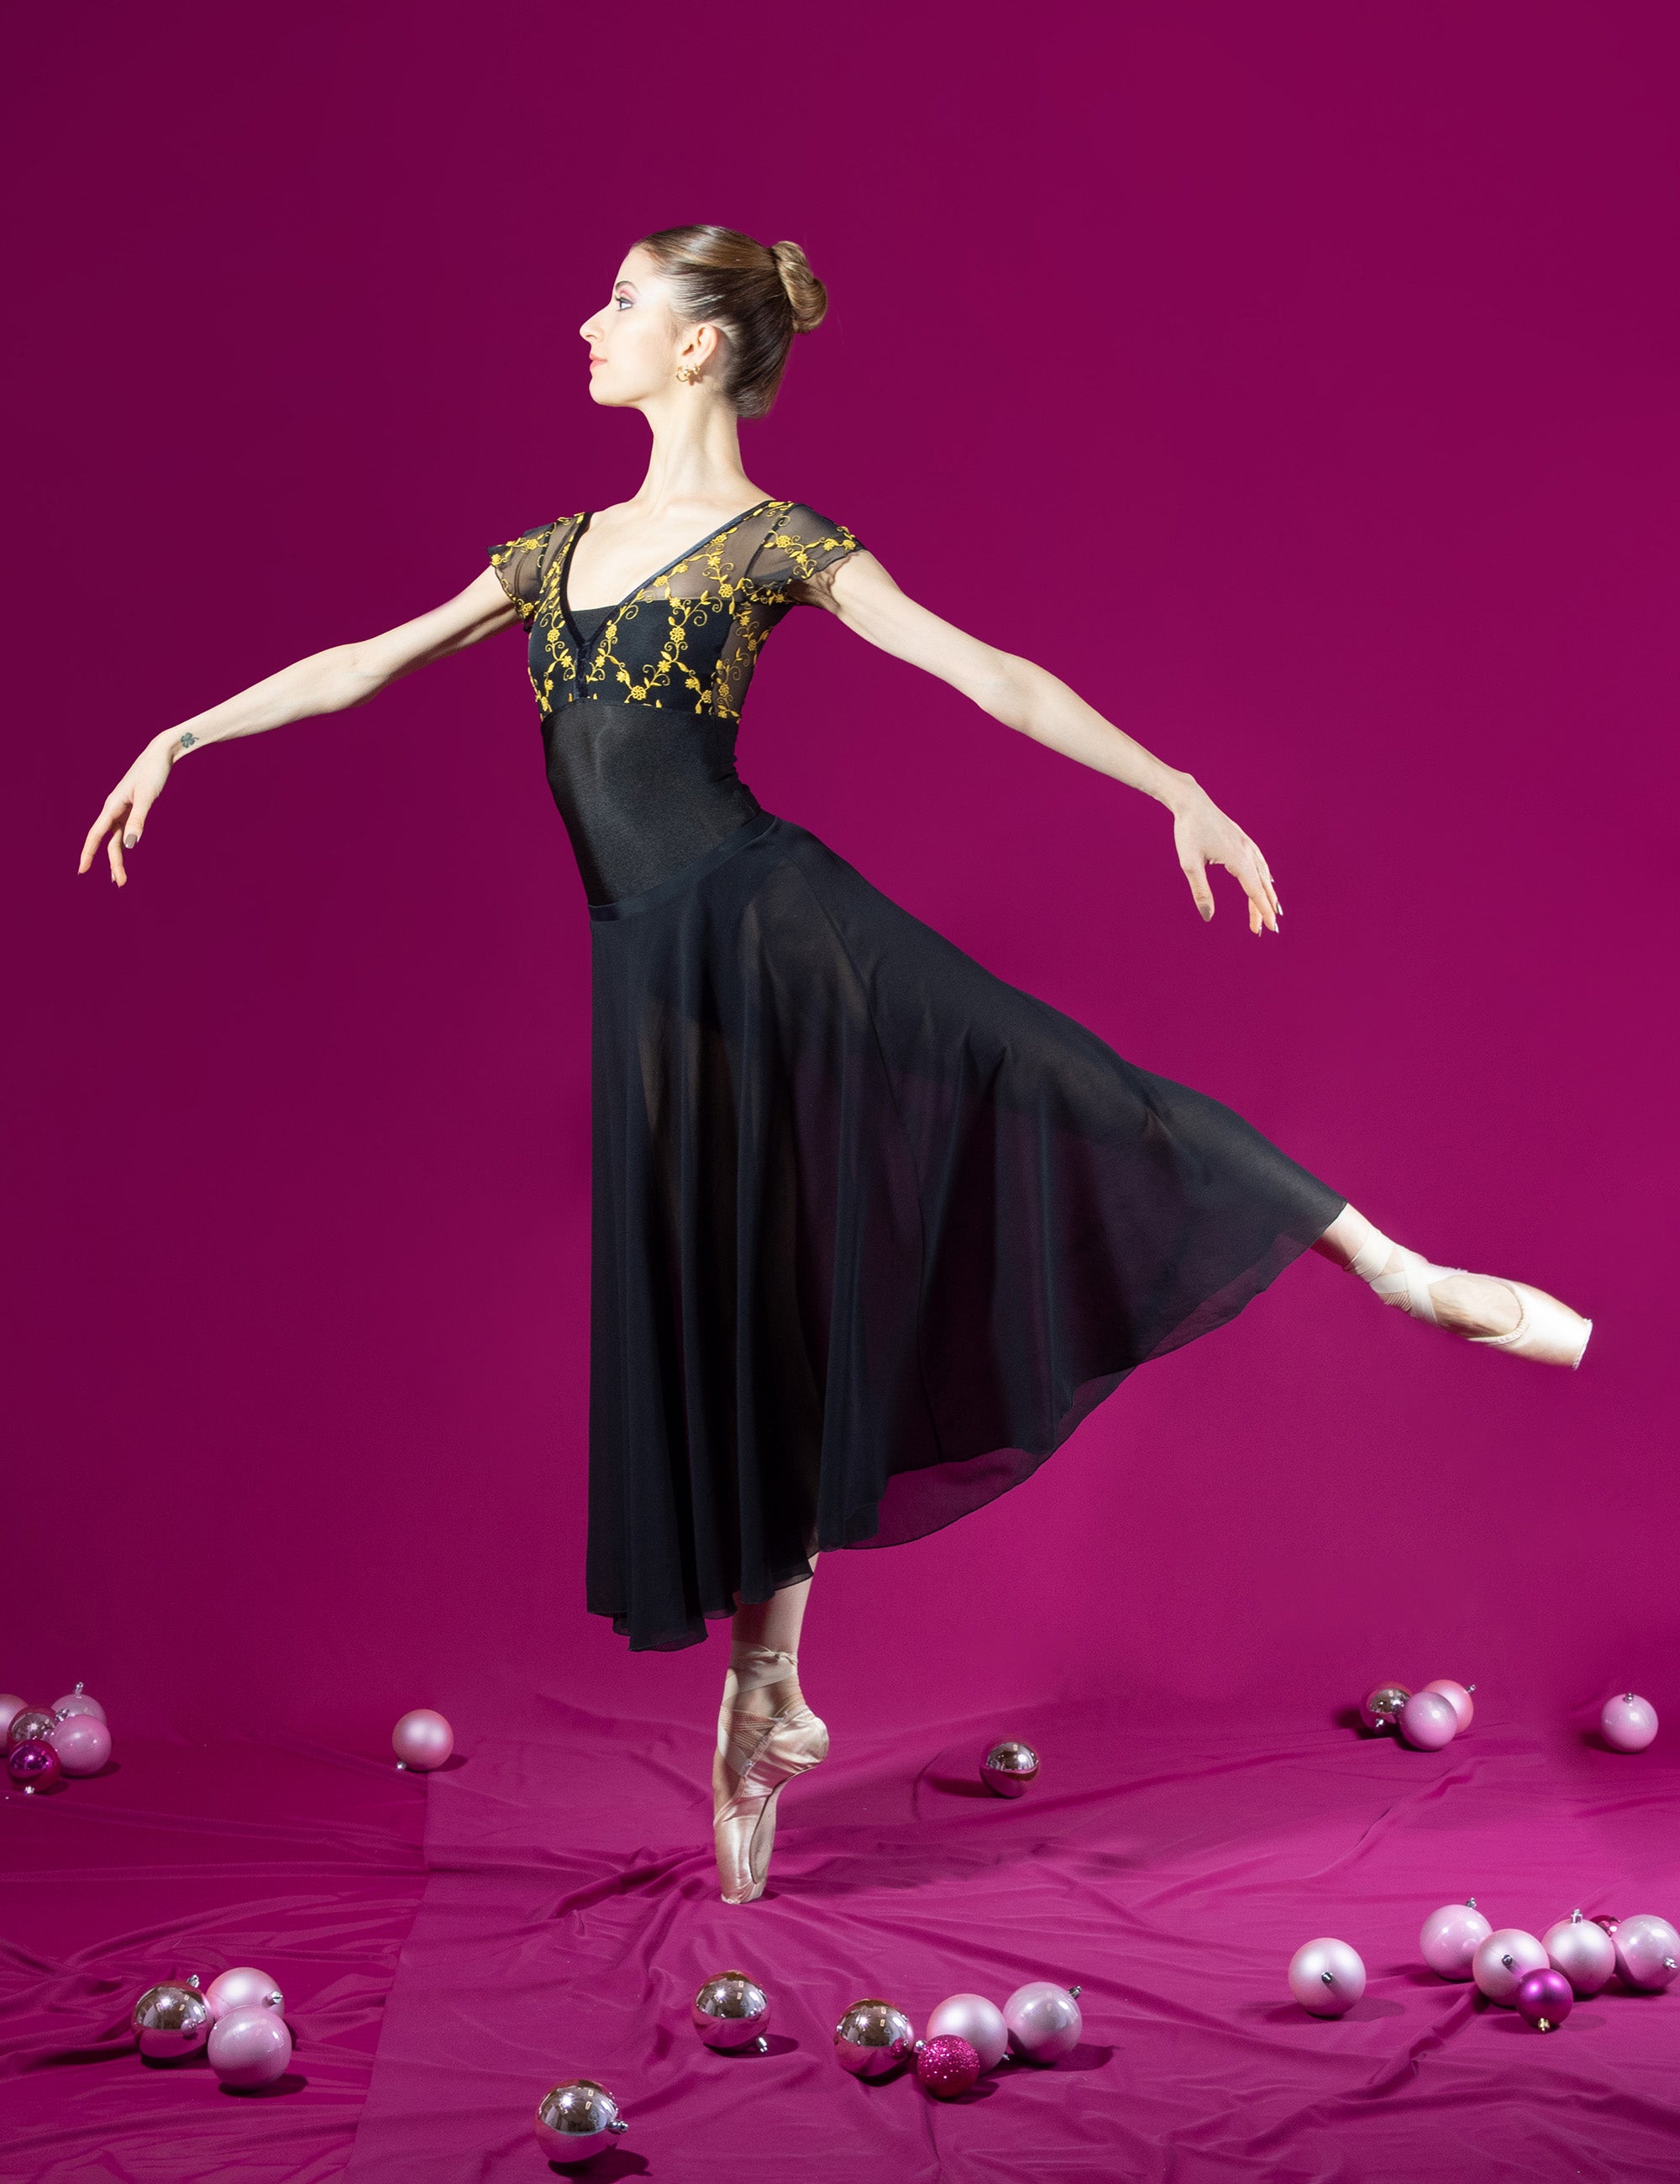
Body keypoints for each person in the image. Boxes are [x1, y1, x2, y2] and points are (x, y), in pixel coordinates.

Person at [78, 224, 1592, 1908]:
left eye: (622, 302)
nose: (587, 324)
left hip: (773, 920)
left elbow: (986, 673)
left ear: (700, 346)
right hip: (656, 980)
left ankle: (1391, 1266)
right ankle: (768, 1692)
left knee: (1053, 1076)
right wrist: (182, 733)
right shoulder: (548, 556)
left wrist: (1173, 785)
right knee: (748, 1312)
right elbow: (365, 660)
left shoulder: (776, 545)